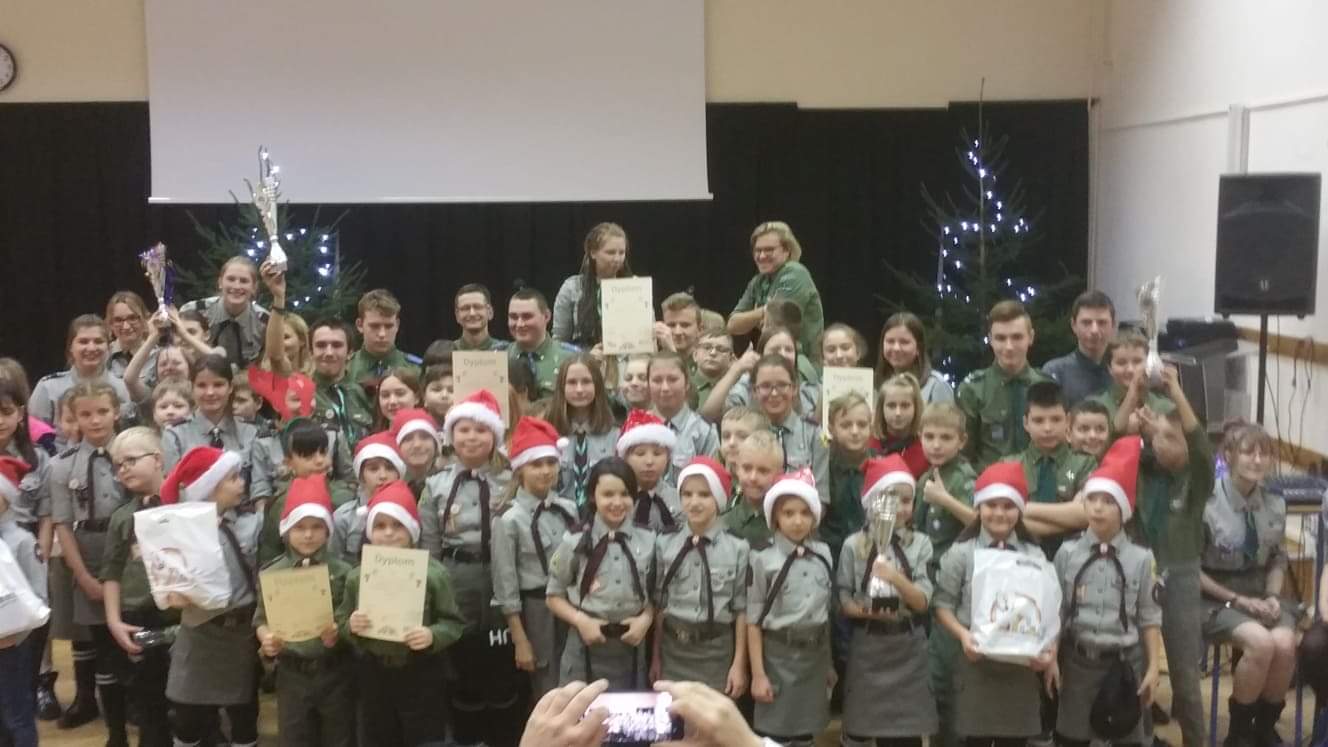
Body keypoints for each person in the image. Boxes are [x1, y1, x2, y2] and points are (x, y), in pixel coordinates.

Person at [418, 388, 519, 746]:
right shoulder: (437, 484)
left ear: (495, 435)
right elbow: (430, 546)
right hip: (455, 578)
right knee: (462, 661)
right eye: (463, 430)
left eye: (481, 430)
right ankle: (467, 734)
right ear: (451, 435)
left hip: (501, 578)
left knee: (502, 658)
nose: (472, 437)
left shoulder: (512, 481)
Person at [1049, 436, 1162, 747]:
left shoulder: (1142, 559)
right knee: (1072, 739)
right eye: (1092, 499)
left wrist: (1153, 667)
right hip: (1078, 662)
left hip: (1124, 665)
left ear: (1124, 509)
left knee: (1127, 738)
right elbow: (1057, 613)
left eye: (1108, 501)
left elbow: (1150, 617)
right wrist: (1051, 659)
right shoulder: (1067, 553)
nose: (1098, 508)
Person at [933, 461, 1054, 745]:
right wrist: (963, 635)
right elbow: (942, 605)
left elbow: (1049, 611)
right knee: (975, 739)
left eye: (1008, 506)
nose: (999, 513)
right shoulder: (961, 554)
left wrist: (1048, 650)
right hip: (974, 666)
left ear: (1020, 510)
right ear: (978, 507)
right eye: (991, 505)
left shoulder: (1035, 556)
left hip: (1021, 671)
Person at [340, 480, 466, 745]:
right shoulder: (357, 577)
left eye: (398, 525)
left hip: (421, 671)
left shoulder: (434, 574)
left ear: (412, 529)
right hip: (374, 672)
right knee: (377, 736)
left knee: (425, 737)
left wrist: (432, 635)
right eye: (380, 526)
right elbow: (342, 620)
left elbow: (453, 623)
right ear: (369, 531)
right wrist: (351, 625)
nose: (389, 533)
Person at [1124, 366, 1211, 747]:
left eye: (1172, 438)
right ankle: (1142, 740)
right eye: (1157, 435)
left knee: (1185, 675)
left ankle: (1195, 739)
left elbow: (1199, 442)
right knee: (1138, 667)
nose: (1161, 443)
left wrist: (1175, 391)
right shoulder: (1140, 472)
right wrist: (1134, 395)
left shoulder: (1196, 480)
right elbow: (1113, 436)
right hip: (1139, 577)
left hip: (1181, 577)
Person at [157, 446, 262, 747]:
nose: (241, 483)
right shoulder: (179, 530)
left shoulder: (246, 523)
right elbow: (167, 584)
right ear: (210, 487)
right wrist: (174, 594)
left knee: (244, 715)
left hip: (241, 633)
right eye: (233, 478)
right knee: (187, 717)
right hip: (201, 632)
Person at [1199, 421, 1295, 745]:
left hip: (1259, 592)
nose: (1257, 460)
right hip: (1214, 595)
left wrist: (1272, 595)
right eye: (1247, 452)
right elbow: (1190, 570)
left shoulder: (1274, 504)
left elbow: (1277, 558)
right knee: (1261, 643)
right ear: (1228, 455)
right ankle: (1239, 734)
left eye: (1264, 453)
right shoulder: (1206, 501)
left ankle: (1263, 729)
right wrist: (1237, 600)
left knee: (1285, 644)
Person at [837, 455, 938, 746]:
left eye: (907, 500)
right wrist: (868, 612)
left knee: (904, 736)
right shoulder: (853, 545)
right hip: (868, 647)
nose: (900, 508)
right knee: (859, 731)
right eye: (891, 500)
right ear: (872, 502)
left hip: (908, 645)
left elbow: (922, 603)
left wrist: (894, 577)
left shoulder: (921, 544)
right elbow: (843, 598)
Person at [49, 381, 130, 740]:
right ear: (74, 418)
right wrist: (82, 576)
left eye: (102, 411)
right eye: (85, 414)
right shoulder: (62, 466)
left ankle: (147, 720)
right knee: (105, 651)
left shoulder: (132, 453)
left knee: (138, 646)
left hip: (131, 551)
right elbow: (63, 525)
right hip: (90, 554)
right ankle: (116, 733)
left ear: (116, 412)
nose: (95, 420)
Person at [255, 473, 355, 747]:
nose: (308, 535)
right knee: (295, 737)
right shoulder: (273, 573)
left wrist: (339, 630)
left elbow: (350, 617)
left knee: (339, 737)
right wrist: (266, 638)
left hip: (335, 670)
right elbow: (261, 619)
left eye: (316, 527)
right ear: (286, 530)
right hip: (292, 673)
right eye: (299, 527)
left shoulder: (344, 572)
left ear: (327, 530)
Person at [546, 457, 657, 690]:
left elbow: (655, 594)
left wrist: (646, 619)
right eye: (608, 494)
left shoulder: (649, 540)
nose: (617, 502)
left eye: (625, 494)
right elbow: (553, 596)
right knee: (581, 710)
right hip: (584, 648)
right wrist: (581, 620)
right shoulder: (575, 541)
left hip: (631, 649)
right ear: (592, 496)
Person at [492, 417, 581, 700]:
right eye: (536, 464)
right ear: (520, 470)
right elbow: (505, 585)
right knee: (548, 687)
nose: (545, 471)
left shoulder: (568, 509)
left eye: (551, 463)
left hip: (571, 605)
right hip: (537, 611)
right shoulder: (510, 519)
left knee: (577, 681)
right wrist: (520, 639)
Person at [100, 427, 175, 747]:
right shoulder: (122, 518)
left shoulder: (185, 504)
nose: (123, 469)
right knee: (149, 702)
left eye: (131, 460)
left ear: (157, 459)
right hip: (139, 617)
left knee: (189, 705)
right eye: (118, 465)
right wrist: (114, 621)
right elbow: (111, 572)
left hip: (181, 616)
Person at [747, 468, 833, 746]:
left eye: (805, 513)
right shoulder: (762, 559)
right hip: (777, 659)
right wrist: (758, 675)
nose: (797, 521)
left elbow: (825, 615)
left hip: (814, 660)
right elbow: (753, 622)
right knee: (776, 735)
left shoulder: (824, 554)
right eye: (788, 513)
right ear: (775, 518)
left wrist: (829, 664)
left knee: (807, 734)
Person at [652, 457, 750, 696]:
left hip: (716, 652)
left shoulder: (738, 547)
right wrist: (655, 657)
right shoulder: (665, 543)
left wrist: (738, 664)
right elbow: (660, 606)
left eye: (704, 495)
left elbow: (741, 610)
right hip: (673, 650)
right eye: (687, 494)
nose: (694, 502)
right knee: (673, 714)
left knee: (713, 716)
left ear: (718, 499)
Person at [913, 401, 977, 747]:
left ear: (961, 441)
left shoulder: (964, 478)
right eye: (930, 437)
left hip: (955, 588)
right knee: (931, 675)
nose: (936, 445)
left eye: (946, 437)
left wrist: (944, 498)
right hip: (927, 584)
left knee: (948, 675)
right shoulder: (925, 477)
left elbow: (981, 522)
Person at [1005, 381, 1096, 559]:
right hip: (1019, 558)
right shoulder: (1009, 465)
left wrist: (1021, 508)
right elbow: (1000, 519)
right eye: (1038, 420)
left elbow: (1088, 514)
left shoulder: (1084, 464)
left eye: (1056, 419)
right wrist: (1068, 518)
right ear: (1025, 423)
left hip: (1074, 558)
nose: (1047, 428)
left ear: (1068, 421)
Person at [957, 300, 1051, 471]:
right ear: (990, 340)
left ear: (1030, 337)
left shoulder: (1047, 387)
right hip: (989, 481)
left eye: (1017, 337)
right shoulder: (973, 390)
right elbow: (962, 454)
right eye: (1001, 338)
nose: (1009, 347)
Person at [728, 221, 825, 361]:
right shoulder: (758, 281)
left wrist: (755, 316)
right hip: (772, 360)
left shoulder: (795, 272)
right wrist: (764, 310)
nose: (762, 256)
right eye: (757, 250)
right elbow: (732, 325)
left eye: (769, 250)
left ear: (787, 251)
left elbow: (776, 322)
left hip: (801, 361)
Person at [0, 456, 45, 747]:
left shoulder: (23, 542)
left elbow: (39, 597)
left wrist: (15, 631)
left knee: (17, 712)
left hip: (13, 645)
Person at [161, 354, 258, 478]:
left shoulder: (249, 432)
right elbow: (171, 484)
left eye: (218, 385)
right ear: (192, 388)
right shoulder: (175, 435)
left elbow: (260, 483)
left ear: (230, 387)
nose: (210, 392)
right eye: (202, 385)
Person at [256, 418, 336, 565]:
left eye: (323, 452)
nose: (319, 461)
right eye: (308, 456)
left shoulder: (341, 495)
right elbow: (270, 553)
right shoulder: (281, 503)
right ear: (289, 463)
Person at [546, 354, 620, 512]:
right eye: (572, 382)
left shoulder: (615, 436)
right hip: (558, 517)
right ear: (561, 387)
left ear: (597, 386)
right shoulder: (548, 434)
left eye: (586, 382)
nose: (579, 389)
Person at [701, 326, 819, 422]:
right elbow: (708, 415)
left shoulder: (808, 390)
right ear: (760, 356)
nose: (783, 354)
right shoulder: (746, 386)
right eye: (775, 350)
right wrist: (736, 369)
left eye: (788, 350)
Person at [30, 315, 132, 424]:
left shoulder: (122, 387)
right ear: (71, 347)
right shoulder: (48, 387)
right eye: (83, 342)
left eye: (98, 341)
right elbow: (35, 431)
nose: (91, 348)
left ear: (108, 347)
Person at [328, 431, 405, 565]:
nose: (382, 476)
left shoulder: (408, 516)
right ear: (361, 476)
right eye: (373, 469)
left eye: (390, 468)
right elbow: (334, 564)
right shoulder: (343, 518)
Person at [179, 256, 270, 368]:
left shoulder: (264, 322)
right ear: (220, 283)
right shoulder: (194, 311)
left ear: (254, 287)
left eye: (244, 281)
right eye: (231, 279)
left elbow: (269, 360)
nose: (236, 286)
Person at [553, 222, 632, 349]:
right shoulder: (572, 288)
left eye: (621, 252)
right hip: (584, 359)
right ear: (593, 253)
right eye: (611, 252)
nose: (617, 259)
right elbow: (559, 343)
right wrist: (585, 356)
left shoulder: (634, 288)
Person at [818, 392, 876, 564]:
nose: (855, 431)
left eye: (862, 425)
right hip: (829, 551)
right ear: (831, 428)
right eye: (846, 425)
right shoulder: (822, 464)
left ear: (871, 427)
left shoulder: (880, 465)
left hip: (868, 551)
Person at [1089, 330, 1177, 438]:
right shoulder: (1095, 406)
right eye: (1121, 363)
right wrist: (1131, 397)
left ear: (1148, 364)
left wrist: (1158, 433)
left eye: (1137, 361)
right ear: (1110, 368)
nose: (1130, 370)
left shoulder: (1165, 407)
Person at [650, 352, 719, 485]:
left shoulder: (704, 432)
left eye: (673, 379)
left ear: (687, 383)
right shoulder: (637, 428)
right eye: (657, 380)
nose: (665, 388)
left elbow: (710, 485)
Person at [309, 318, 375, 449]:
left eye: (337, 345)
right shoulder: (301, 396)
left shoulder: (367, 394)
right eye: (321, 345)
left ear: (350, 353)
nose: (329, 353)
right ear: (311, 352)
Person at [1041, 290, 1116, 408]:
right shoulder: (1056, 372)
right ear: (1073, 325)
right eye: (1086, 323)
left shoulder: (1124, 372)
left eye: (1102, 322)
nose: (1094, 330)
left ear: (1113, 325)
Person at [345, 289, 422, 393]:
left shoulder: (417, 370)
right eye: (374, 326)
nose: (382, 334)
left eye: (389, 326)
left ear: (397, 325)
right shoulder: (346, 369)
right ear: (360, 325)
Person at [617, 409, 681, 531]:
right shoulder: (617, 501)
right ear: (625, 458)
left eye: (657, 454)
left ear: (668, 458)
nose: (649, 461)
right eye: (640, 454)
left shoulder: (680, 500)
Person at [509, 288, 576, 401]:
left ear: (546, 316)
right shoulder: (498, 359)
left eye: (527, 316)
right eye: (513, 317)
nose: (519, 324)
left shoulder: (571, 359)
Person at [723, 431, 784, 550]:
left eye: (763, 471)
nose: (753, 477)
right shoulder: (725, 522)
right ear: (737, 469)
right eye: (747, 468)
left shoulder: (787, 523)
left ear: (779, 475)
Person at [875, 312, 954, 404]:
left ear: (919, 348)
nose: (896, 348)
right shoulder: (874, 384)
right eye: (890, 341)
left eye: (904, 342)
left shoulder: (936, 386)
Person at [873, 372, 929, 477]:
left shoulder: (926, 448)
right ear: (881, 408)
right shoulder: (868, 444)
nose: (898, 413)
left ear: (916, 408)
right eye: (891, 405)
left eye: (905, 406)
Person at [392, 407, 445, 499]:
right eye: (408, 439)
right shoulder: (386, 484)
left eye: (424, 437)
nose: (417, 445)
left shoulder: (451, 483)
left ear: (436, 445)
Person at [104, 291, 152, 381]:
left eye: (132, 318)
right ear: (110, 324)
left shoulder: (159, 357)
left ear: (145, 319)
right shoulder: (102, 356)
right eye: (118, 320)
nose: (126, 326)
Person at [453, 283, 511, 352]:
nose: (472, 313)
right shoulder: (448, 352)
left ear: (490, 312)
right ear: (457, 315)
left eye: (478, 307)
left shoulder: (507, 351)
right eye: (465, 308)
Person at [691, 328, 735, 412]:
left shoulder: (738, 390)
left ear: (731, 359)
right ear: (695, 355)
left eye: (721, 349)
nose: (713, 353)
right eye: (707, 347)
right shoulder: (683, 387)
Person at [718, 406, 768, 476]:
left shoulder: (773, 481)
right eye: (726, 436)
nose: (731, 443)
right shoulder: (711, 479)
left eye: (742, 436)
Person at [372, 367, 420, 431]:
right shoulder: (373, 437)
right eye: (385, 395)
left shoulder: (429, 435)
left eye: (400, 394)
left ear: (417, 397)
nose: (392, 401)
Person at [662, 291, 705, 363]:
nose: (677, 332)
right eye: (671, 325)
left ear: (700, 329)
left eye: (685, 325)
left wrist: (671, 353)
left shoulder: (707, 362)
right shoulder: (653, 362)